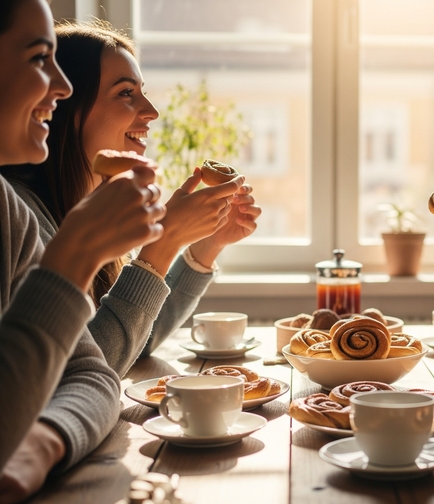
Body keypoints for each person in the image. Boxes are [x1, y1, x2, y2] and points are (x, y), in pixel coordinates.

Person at [1, 19, 262, 377]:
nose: (152, 111)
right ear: (66, 105)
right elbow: (85, 372)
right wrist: (164, 241)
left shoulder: (90, 212)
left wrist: (205, 246)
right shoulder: (22, 218)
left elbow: (133, 337)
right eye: (126, 93)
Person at [0, 0, 166, 504]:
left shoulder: (11, 212)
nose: (61, 87)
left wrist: (44, 444)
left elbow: (93, 374)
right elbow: (110, 354)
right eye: (39, 58)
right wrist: (154, 253)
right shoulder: (36, 215)